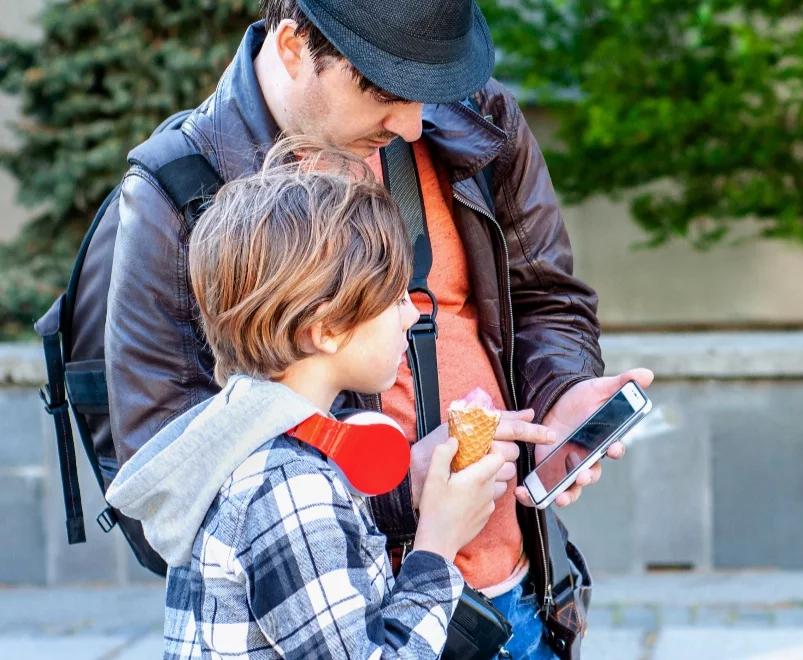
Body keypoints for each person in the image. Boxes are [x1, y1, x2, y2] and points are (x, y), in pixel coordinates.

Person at [91, 0, 654, 656]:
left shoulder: (475, 113)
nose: (414, 124)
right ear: (296, 45)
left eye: (429, 91)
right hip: (355, 619)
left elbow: (548, 298)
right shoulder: (175, 189)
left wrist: (563, 395)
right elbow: (167, 475)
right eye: (387, 90)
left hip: (516, 600)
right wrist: (392, 491)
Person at [107, 143, 515, 658]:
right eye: (392, 298)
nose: (412, 316)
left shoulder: (250, 447)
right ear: (325, 329)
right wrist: (438, 544)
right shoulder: (289, 488)